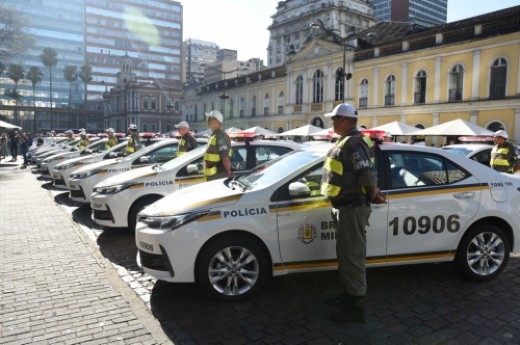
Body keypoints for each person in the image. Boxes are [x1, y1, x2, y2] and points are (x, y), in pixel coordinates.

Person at [320, 103, 386, 324]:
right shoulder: (348, 142)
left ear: (343, 120)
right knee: (346, 255)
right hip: (345, 207)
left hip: (353, 208)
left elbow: (366, 174)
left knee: (353, 257)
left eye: (334, 119)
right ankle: (348, 295)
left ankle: (356, 308)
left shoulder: (353, 143)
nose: (332, 123)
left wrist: (373, 193)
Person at [203, 110, 233, 181]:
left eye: (210, 118)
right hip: (213, 176)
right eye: (208, 119)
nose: (208, 120)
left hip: (219, 177)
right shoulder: (214, 135)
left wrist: (229, 172)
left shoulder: (220, 136)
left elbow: (225, 157)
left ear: (217, 121)